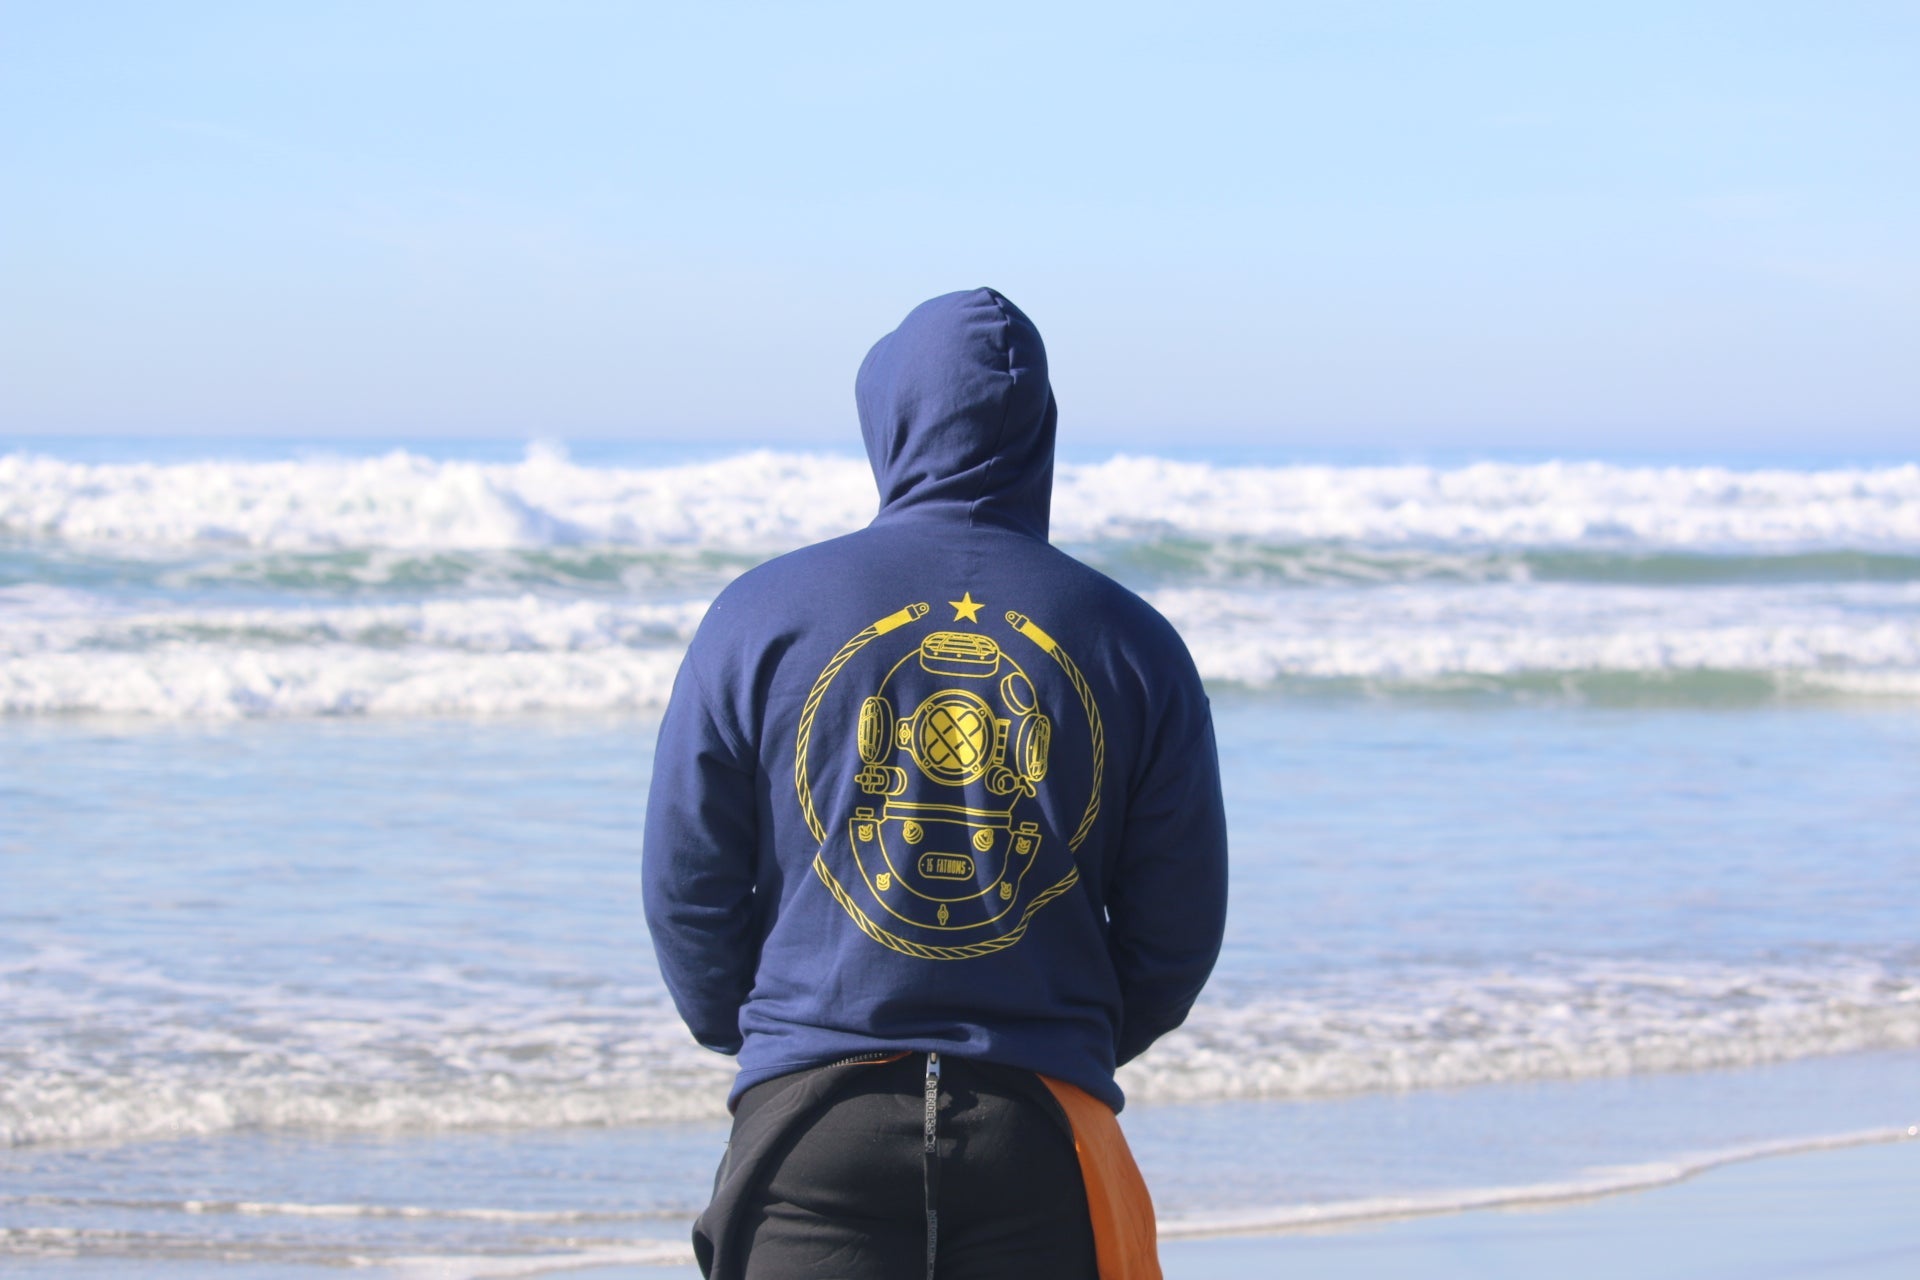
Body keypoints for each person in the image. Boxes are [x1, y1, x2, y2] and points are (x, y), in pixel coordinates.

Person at [643, 287, 1229, 1280]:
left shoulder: (758, 617)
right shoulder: (1134, 642)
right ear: (1041, 430)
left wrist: (767, 1024)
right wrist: (1059, 1033)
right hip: (1042, 1131)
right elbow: (1177, 930)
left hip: (809, 1127)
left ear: (887, 418)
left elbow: (686, 886)